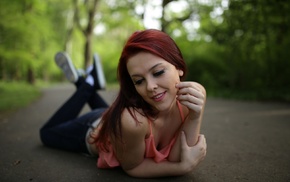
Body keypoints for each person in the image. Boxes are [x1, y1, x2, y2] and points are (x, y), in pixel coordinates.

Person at [40, 29, 207, 178]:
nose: (150, 87)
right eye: (139, 81)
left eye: (158, 72)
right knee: (46, 134)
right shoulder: (132, 122)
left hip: (116, 121)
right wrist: (181, 168)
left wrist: (195, 115)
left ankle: (87, 82)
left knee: (115, 115)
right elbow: (134, 167)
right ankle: (88, 84)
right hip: (91, 129)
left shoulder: (192, 97)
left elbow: (176, 156)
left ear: (179, 66)